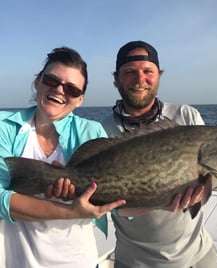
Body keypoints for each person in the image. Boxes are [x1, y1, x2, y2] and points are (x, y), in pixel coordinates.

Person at [100, 41, 217, 268]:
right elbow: (110, 206)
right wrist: (162, 203)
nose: (140, 79)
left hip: (198, 255)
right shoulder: (102, 131)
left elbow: (211, 174)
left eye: (148, 71)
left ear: (159, 75)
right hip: (134, 261)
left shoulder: (186, 116)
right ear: (116, 78)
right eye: (129, 73)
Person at [0, 47, 126, 268]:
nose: (59, 90)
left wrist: (169, 202)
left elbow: (116, 200)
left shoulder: (92, 131)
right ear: (37, 82)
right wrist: (70, 211)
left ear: (80, 100)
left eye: (72, 89)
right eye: (51, 80)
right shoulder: (4, 126)